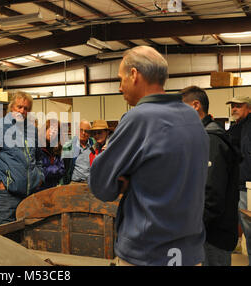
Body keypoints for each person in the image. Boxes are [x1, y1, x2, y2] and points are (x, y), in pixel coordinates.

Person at [89, 46, 209, 266]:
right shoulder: (192, 118)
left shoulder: (139, 118)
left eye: (120, 78)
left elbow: (100, 184)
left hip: (148, 252)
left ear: (134, 75)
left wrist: (127, 181)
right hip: (189, 252)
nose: (119, 87)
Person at [181, 85, 240, 266]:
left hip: (212, 236)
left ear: (195, 105)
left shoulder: (210, 139)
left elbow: (211, 194)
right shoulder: (202, 137)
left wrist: (193, 227)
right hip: (207, 231)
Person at [0, 92, 44, 226]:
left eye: (26, 108)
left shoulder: (31, 130)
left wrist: (39, 177)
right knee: (5, 237)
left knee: (28, 235)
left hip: (30, 195)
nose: (22, 111)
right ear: (11, 107)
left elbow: (38, 157)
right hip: (7, 196)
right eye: (19, 107)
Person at [226, 94, 251, 266]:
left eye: (238, 106)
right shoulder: (235, 128)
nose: (234, 109)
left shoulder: (248, 127)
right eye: (233, 106)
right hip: (239, 185)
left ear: (249, 108)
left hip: (247, 186)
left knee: (250, 230)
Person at [61, 120, 95, 184]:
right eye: (80, 130)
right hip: (74, 183)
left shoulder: (94, 145)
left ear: (90, 133)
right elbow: (63, 168)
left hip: (91, 183)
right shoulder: (68, 146)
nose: (83, 133)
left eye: (86, 131)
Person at [38, 119, 65, 191]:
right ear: (45, 130)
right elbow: (37, 172)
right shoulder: (37, 147)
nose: (53, 132)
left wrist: (50, 170)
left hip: (53, 189)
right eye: (51, 129)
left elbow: (62, 170)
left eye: (56, 131)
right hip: (38, 190)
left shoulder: (57, 149)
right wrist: (54, 169)